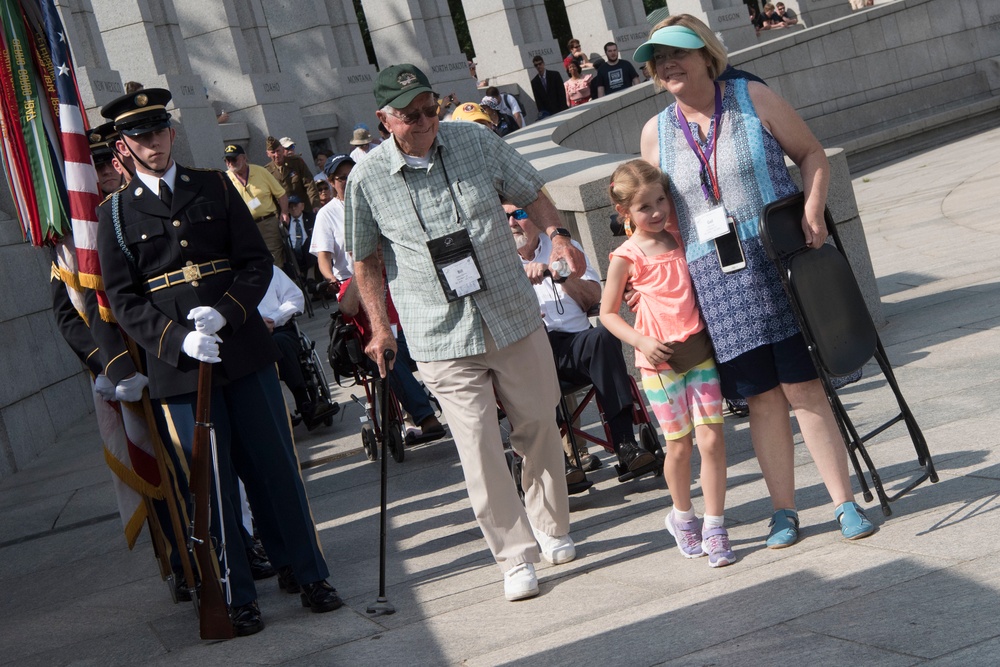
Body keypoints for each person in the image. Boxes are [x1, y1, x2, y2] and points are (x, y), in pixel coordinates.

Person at [96, 88, 343, 637]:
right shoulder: (113, 215)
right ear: (125, 146)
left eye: (159, 131)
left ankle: (308, 572)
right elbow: (122, 299)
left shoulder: (213, 185)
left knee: (275, 466)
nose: (153, 143)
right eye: (140, 136)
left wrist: (228, 313)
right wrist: (175, 338)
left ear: (171, 133)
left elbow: (254, 263)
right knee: (213, 482)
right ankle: (237, 593)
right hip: (181, 369)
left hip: (244, 349)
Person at [345, 63, 587, 602]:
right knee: (477, 444)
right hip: (438, 332)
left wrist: (560, 235)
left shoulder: (474, 140)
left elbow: (533, 190)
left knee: (539, 426)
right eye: (412, 116)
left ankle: (550, 526)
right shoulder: (366, 180)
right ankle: (513, 554)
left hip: (510, 313)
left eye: (431, 109)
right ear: (385, 120)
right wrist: (380, 329)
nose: (427, 121)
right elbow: (365, 260)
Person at [634, 16, 875, 547]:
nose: (667, 65)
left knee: (804, 387)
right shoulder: (656, 132)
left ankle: (844, 503)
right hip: (716, 283)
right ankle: (784, 512)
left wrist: (812, 208)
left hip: (777, 261)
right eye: (658, 59)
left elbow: (811, 154)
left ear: (706, 54)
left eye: (677, 52)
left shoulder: (751, 96)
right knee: (762, 399)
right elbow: (652, 215)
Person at [601, 160, 734, 568]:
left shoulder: (681, 237)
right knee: (679, 445)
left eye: (661, 200)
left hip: (699, 353)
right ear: (624, 212)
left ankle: (715, 526)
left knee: (712, 440)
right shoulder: (625, 256)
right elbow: (608, 313)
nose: (657, 211)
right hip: (658, 365)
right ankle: (683, 517)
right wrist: (641, 339)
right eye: (645, 207)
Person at [505, 200, 654, 475]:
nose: (513, 222)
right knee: (528, 355)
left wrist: (561, 277)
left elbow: (595, 298)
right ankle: (556, 463)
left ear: (537, 217)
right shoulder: (499, 263)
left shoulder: (562, 248)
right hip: (533, 347)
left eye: (520, 214)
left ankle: (625, 444)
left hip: (576, 345)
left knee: (602, 337)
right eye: (505, 217)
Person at [258, 265, 338, 430]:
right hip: (248, 337)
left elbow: (295, 299)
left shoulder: (268, 270)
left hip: (280, 329)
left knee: (280, 343)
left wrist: (274, 318)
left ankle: (306, 403)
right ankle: (274, 411)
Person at [224, 143, 289, 269]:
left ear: (244, 158)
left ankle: (278, 286)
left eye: (234, 159)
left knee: (275, 260)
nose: (230, 163)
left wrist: (284, 213)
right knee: (254, 261)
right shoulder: (225, 179)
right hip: (245, 228)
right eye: (227, 160)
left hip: (268, 223)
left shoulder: (260, 171)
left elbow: (281, 194)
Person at [309, 154, 356, 287]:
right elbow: (323, 256)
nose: (349, 180)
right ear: (331, 182)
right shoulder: (326, 214)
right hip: (349, 281)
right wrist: (330, 278)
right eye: (342, 178)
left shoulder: (372, 201)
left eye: (352, 174)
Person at [265, 135, 320, 212]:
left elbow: (309, 184)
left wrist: (315, 205)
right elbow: (270, 198)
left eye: (278, 151)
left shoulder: (296, 163)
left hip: (304, 209)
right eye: (273, 152)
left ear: (282, 149)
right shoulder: (267, 171)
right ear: (268, 154)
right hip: (286, 214)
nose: (276, 155)